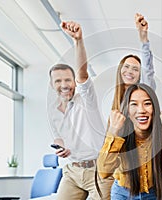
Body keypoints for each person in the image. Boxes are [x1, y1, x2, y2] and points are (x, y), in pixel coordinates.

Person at [47, 21, 113, 199]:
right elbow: (59, 138)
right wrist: (61, 147)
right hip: (72, 171)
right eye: (58, 81)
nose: (64, 85)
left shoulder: (86, 99)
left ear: (74, 82)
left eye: (68, 80)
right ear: (52, 85)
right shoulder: (54, 111)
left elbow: (82, 72)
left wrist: (78, 41)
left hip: (98, 170)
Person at [97, 83, 162, 200]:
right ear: (127, 109)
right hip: (123, 194)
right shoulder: (121, 133)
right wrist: (113, 131)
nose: (141, 110)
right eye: (134, 105)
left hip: (154, 194)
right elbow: (104, 172)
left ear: (154, 108)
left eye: (147, 104)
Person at [111, 13, 156, 112]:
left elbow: (147, 71)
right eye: (126, 67)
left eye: (135, 69)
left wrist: (144, 40)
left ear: (140, 75)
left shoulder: (143, 92)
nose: (130, 71)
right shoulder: (117, 100)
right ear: (120, 70)